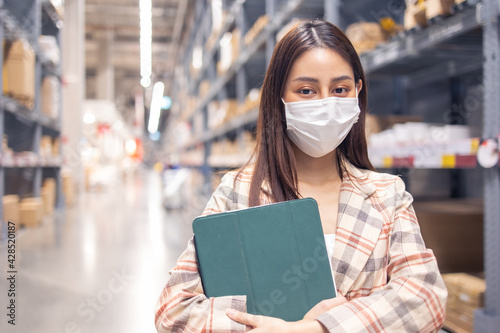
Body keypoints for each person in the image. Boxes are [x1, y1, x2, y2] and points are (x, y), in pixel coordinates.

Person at [155, 19, 447, 332]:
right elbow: (174, 308)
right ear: (278, 98)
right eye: (306, 90)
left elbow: (425, 296)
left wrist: (315, 328)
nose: (325, 103)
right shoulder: (237, 192)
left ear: (357, 92)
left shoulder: (387, 195)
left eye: (339, 89)